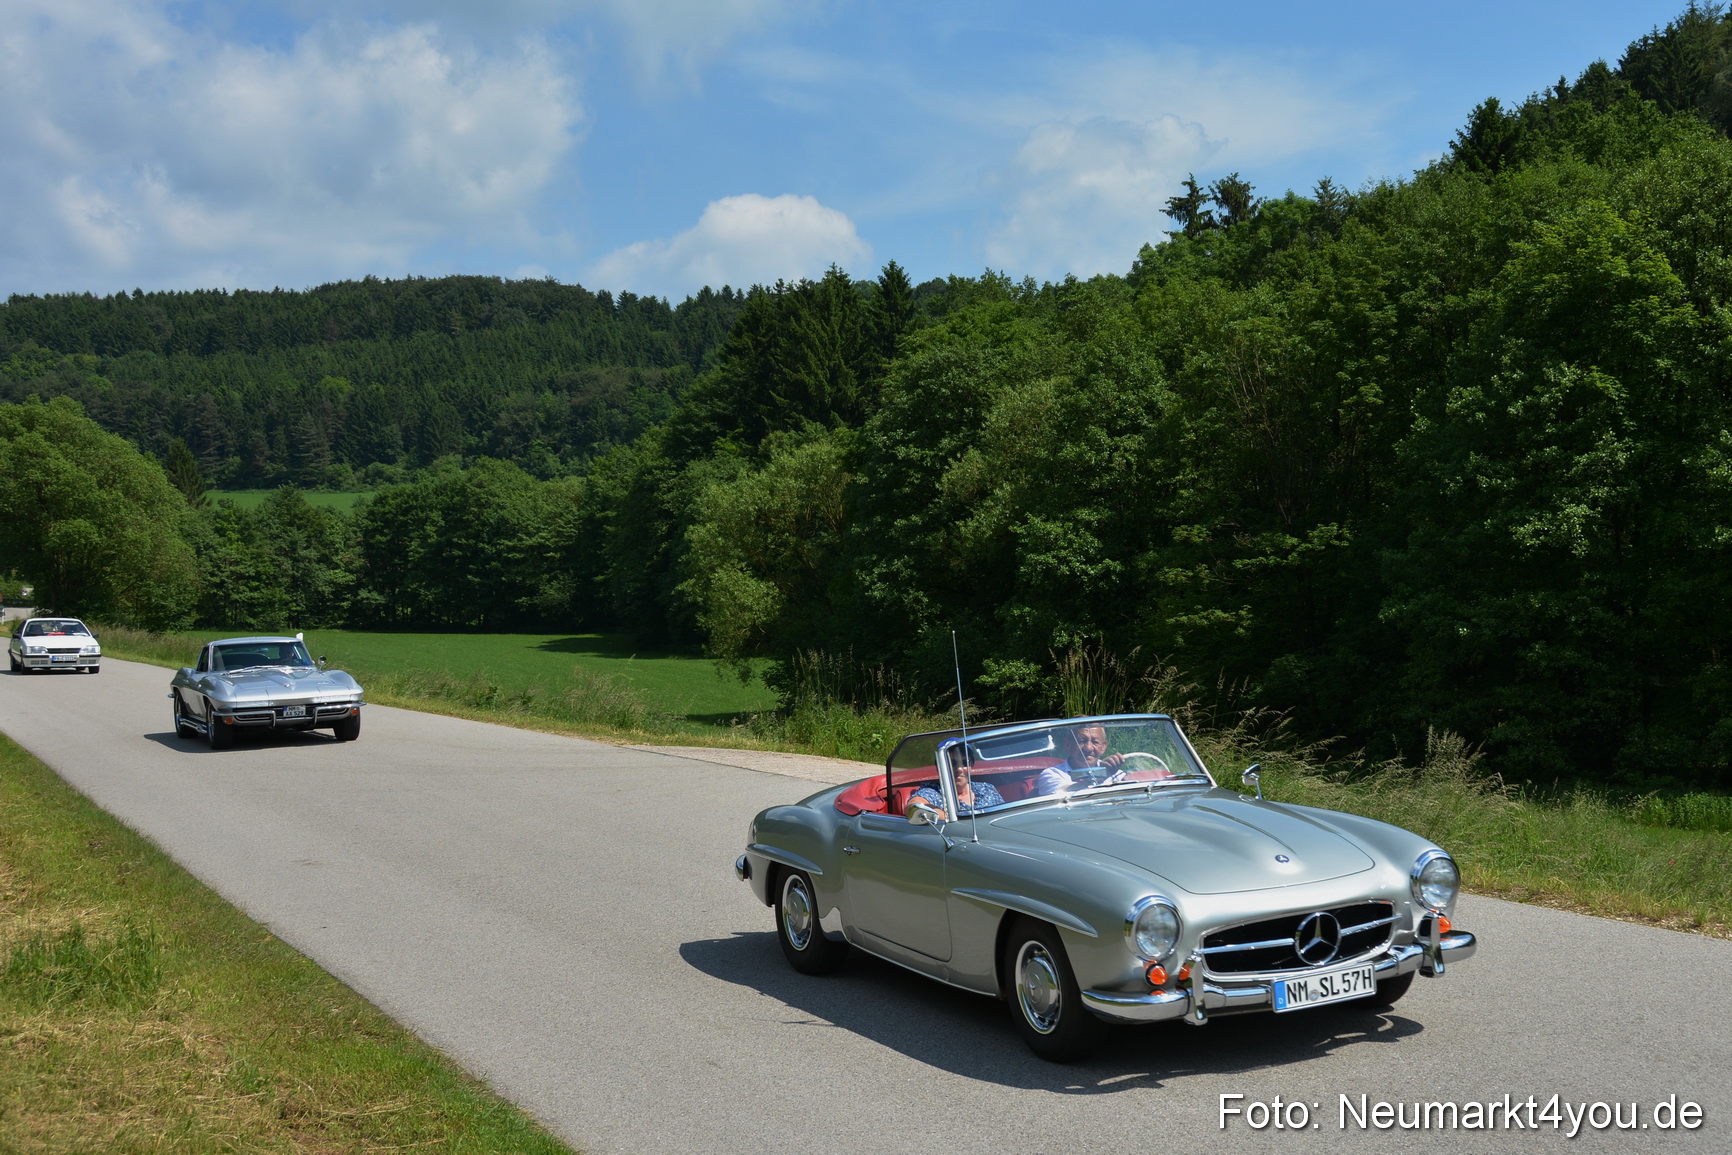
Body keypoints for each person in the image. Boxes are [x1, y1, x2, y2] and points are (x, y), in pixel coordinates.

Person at [1033, 723, 1125, 796]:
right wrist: (1101, 776)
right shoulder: (1052, 775)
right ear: (1068, 744)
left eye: (1095, 742)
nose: (1089, 748)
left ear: (1103, 747)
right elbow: (1063, 792)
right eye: (1082, 741)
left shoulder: (1115, 773)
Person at [910, 760, 1004, 817]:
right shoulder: (933, 792)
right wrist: (953, 818)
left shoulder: (987, 788)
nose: (959, 769)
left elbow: (1004, 815)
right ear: (940, 767)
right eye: (952, 763)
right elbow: (914, 807)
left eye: (964, 763)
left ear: (971, 766)